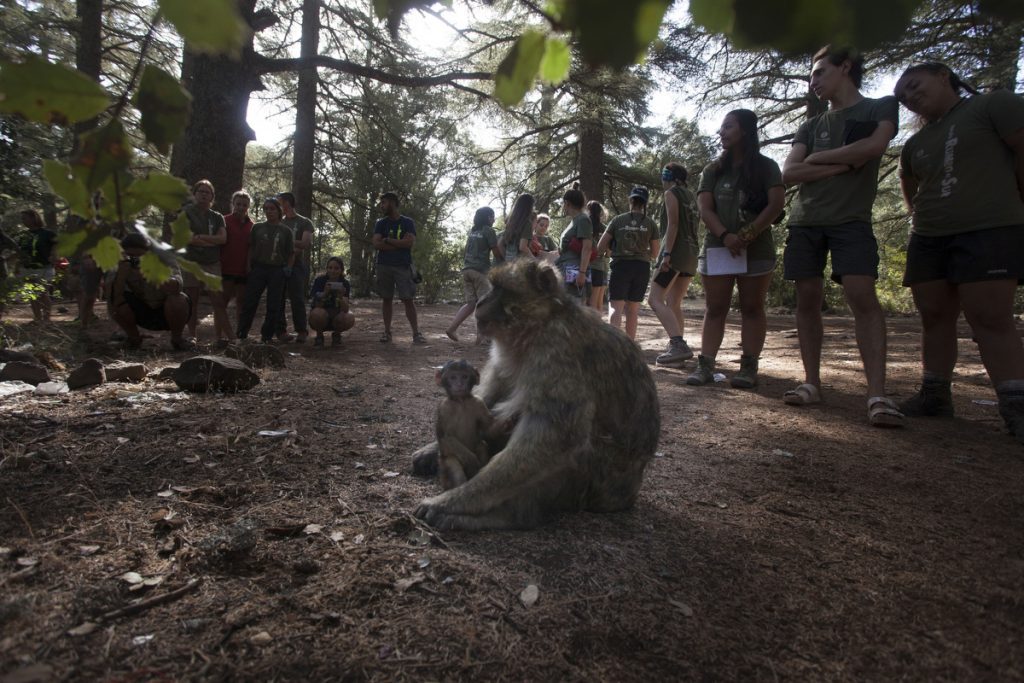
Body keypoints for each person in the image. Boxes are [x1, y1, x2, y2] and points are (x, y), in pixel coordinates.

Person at [894, 62, 1024, 444]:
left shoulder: (992, 106)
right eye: (904, 97)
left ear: (943, 75)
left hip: (989, 228)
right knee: (934, 315)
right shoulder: (916, 142)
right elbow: (909, 181)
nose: (911, 98)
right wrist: (917, 216)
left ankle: (1016, 405)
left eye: (915, 86)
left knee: (989, 316)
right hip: (930, 235)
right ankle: (935, 394)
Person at [781, 45, 904, 428]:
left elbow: (875, 146)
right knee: (807, 300)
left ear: (845, 67)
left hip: (851, 220)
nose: (813, 82)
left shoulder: (879, 107)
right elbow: (789, 173)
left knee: (861, 296)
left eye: (819, 73)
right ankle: (811, 383)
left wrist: (816, 160)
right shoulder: (811, 125)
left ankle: (877, 395)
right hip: (805, 221)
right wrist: (842, 163)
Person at [689, 110, 785, 388]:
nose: (722, 132)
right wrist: (726, 235)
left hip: (757, 250)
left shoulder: (767, 167)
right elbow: (705, 209)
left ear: (745, 130)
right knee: (715, 308)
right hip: (719, 248)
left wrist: (750, 232)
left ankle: (748, 367)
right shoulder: (712, 170)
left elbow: (776, 203)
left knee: (752, 307)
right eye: (721, 127)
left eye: (728, 126)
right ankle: (705, 365)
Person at [649, 162, 700, 367]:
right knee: (674, 302)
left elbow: (673, 224)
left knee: (654, 299)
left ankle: (677, 344)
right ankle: (677, 355)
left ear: (668, 177)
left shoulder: (671, 193)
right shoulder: (691, 197)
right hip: (691, 254)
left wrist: (666, 253)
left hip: (675, 254)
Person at [107, 233, 192, 351]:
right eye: (131, 256)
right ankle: (133, 338)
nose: (135, 259)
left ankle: (177, 339)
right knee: (114, 300)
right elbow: (114, 297)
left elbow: (177, 286)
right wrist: (121, 275)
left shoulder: (164, 257)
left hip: (166, 311)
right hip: (140, 311)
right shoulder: (120, 262)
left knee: (178, 299)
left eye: (139, 256)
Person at [598, 189, 659, 338]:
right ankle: (630, 346)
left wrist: (611, 251)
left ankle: (614, 346)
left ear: (630, 200)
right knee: (633, 309)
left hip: (620, 266)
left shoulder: (618, 220)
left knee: (615, 307)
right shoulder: (650, 223)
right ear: (646, 203)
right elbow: (655, 253)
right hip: (641, 268)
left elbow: (600, 246)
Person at [236, 197, 294, 343]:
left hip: (277, 270)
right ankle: (242, 334)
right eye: (266, 209)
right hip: (259, 268)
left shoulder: (286, 231)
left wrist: (288, 268)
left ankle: (266, 336)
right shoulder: (257, 228)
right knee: (250, 302)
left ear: (278, 211)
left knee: (274, 304)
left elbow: (291, 253)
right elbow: (251, 247)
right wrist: (248, 265)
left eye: (272, 208)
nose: (269, 211)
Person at [182, 179, 230, 345]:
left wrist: (201, 237)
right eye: (200, 191)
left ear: (212, 197)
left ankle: (225, 337)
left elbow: (223, 239)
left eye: (207, 192)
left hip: (212, 263)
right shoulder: (186, 213)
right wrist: (211, 241)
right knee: (191, 299)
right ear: (194, 194)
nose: (203, 194)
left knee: (217, 299)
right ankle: (192, 335)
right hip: (191, 262)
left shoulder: (217, 217)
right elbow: (186, 238)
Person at [372, 191, 425, 344]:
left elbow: (409, 243)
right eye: (381, 203)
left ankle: (416, 334)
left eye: (384, 202)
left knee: (408, 299)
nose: (382, 206)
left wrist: (387, 240)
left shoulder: (407, 222)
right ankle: (387, 333)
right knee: (386, 299)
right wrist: (399, 244)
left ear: (393, 203)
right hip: (384, 266)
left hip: (403, 266)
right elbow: (376, 244)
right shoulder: (380, 223)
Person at [447, 206, 503, 343]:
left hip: (467, 270)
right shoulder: (489, 231)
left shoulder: (473, 231)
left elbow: (466, 250)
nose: (494, 219)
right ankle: (482, 336)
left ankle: (452, 328)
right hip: (480, 272)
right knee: (484, 304)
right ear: (489, 217)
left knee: (471, 304)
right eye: (493, 216)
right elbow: (495, 251)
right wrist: (504, 262)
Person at [275, 191, 314, 343]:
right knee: (278, 299)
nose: (278, 206)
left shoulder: (305, 222)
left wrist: (288, 243)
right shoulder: (279, 222)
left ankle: (302, 331)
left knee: (297, 298)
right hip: (278, 265)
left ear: (287, 203)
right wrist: (292, 243)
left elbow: (305, 243)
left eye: (280, 202)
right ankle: (281, 331)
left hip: (297, 265)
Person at [16, 209, 58, 322]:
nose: (23, 221)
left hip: (45, 267)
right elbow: (19, 252)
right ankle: (37, 318)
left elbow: (57, 244)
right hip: (27, 268)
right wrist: (17, 266)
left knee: (43, 293)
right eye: (22, 219)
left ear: (33, 218)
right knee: (32, 294)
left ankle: (47, 319)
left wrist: (54, 255)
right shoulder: (23, 236)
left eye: (25, 218)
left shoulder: (47, 233)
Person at [221, 190, 253, 333]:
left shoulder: (251, 225)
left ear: (248, 206)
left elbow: (252, 247)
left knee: (242, 302)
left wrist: (249, 266)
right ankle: (220, 334)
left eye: (244, 205)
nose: (241, 207)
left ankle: (240, 333)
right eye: (238, 204)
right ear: (233, 204)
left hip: (243, 270)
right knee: (223, 302)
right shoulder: (224, 221)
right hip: (226, 268)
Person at [554, 183, 593, 302]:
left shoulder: (583, 220)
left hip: (575, 273)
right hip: (565, 270)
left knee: (575, 309)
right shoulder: (574, 221)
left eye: (563, 204)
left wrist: (582, 273)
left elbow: (587, 248)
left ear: (567, 203)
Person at [309, 256, 355, 348]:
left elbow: (345, 309)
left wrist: (340, 297)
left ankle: (337, 336)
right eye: (330, 268)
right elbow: (316, 306)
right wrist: (325, 293)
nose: (333, 271)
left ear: (341, 270)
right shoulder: (320, 281)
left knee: (348, 316)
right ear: (327, 269)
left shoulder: (344, 283)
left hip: (337, 317)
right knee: (317, 314)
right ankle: (319, 337)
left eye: (336, 268)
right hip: (322, 316)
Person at [587, 201, 610, 314]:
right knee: (597, 301)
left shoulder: (585, 225)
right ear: (601, 213)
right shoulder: (605, 229)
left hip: (584, 265)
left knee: (584, 300)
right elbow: (609, 250)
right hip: (599, 266)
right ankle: (597, 326)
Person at [499, 193, 536, 262]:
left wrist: (507, 260)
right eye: (533, 206)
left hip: (509, 265)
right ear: (529, 207)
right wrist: (535, 260)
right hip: (521, 265)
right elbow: (522, 247)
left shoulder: (510, 223)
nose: (533, 209)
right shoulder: (527, 223)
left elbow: (500, 245)